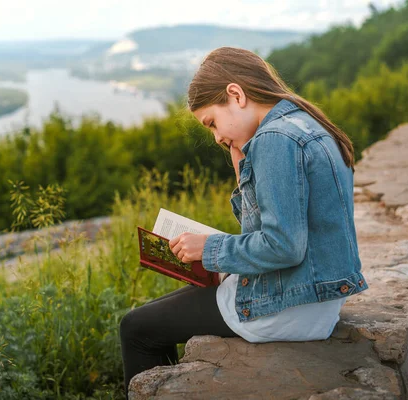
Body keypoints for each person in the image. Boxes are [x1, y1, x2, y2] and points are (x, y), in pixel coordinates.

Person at [118, 46, 370, 398]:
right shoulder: (302, 124)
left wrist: (210, 248)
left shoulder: (274, 139)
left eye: (212, 123)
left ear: (235, 94)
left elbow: (283, 246)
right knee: (158, 309)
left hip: (291, 305)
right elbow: (281, 232)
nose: (217, 137)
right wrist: (242, 174)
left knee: (135, 327)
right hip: (315, 296)